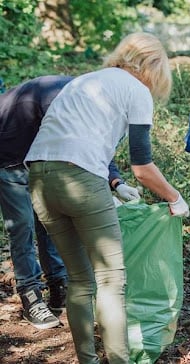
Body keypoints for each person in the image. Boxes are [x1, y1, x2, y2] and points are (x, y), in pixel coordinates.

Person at [24, 32, 189, 363]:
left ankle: (88, 360)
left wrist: (114, 183)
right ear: (153, 66)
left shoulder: (85, 81)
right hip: (81, 179)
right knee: (111, 280)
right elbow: (142, 167)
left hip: (39, 178)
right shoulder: (137, 90)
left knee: (80, 280)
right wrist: (175, 197)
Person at [0, 76, 141, 330]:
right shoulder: (70, 99)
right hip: (10, 156)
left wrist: (116, 183)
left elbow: (96, 148)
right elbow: (76, 148)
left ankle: (58, 286)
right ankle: (31, 295)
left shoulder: (95, 100)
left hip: (42, 157)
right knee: (22, 226)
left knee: (49, 221)